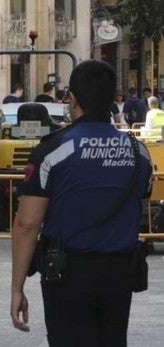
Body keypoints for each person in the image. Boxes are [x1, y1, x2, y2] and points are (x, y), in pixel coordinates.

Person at [10, 60, 153, 346]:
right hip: (119, 274)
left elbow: (27, 224)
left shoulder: (52, 150)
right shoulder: (139, 153)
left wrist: (17, 287)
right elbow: (143, 195)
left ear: (72, 98)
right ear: (113, 99)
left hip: (67, 274)